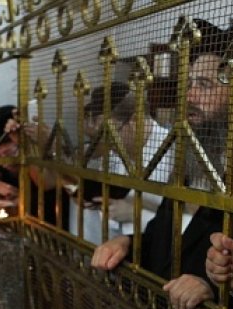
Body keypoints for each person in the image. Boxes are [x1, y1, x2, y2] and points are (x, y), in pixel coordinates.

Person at [91, 23, 233, 309]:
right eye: (189, 85)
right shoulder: (199, 147)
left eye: (204, 85)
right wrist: (130, 244)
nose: (189, 96)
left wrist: (214, 284)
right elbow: (172, 233)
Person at [72, 82, 172, 245]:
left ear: (134, 121)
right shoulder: (114, 150)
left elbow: (190, 222)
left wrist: (137, 214)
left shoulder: (173, 153)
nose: (106, 142)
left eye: (110, 133)